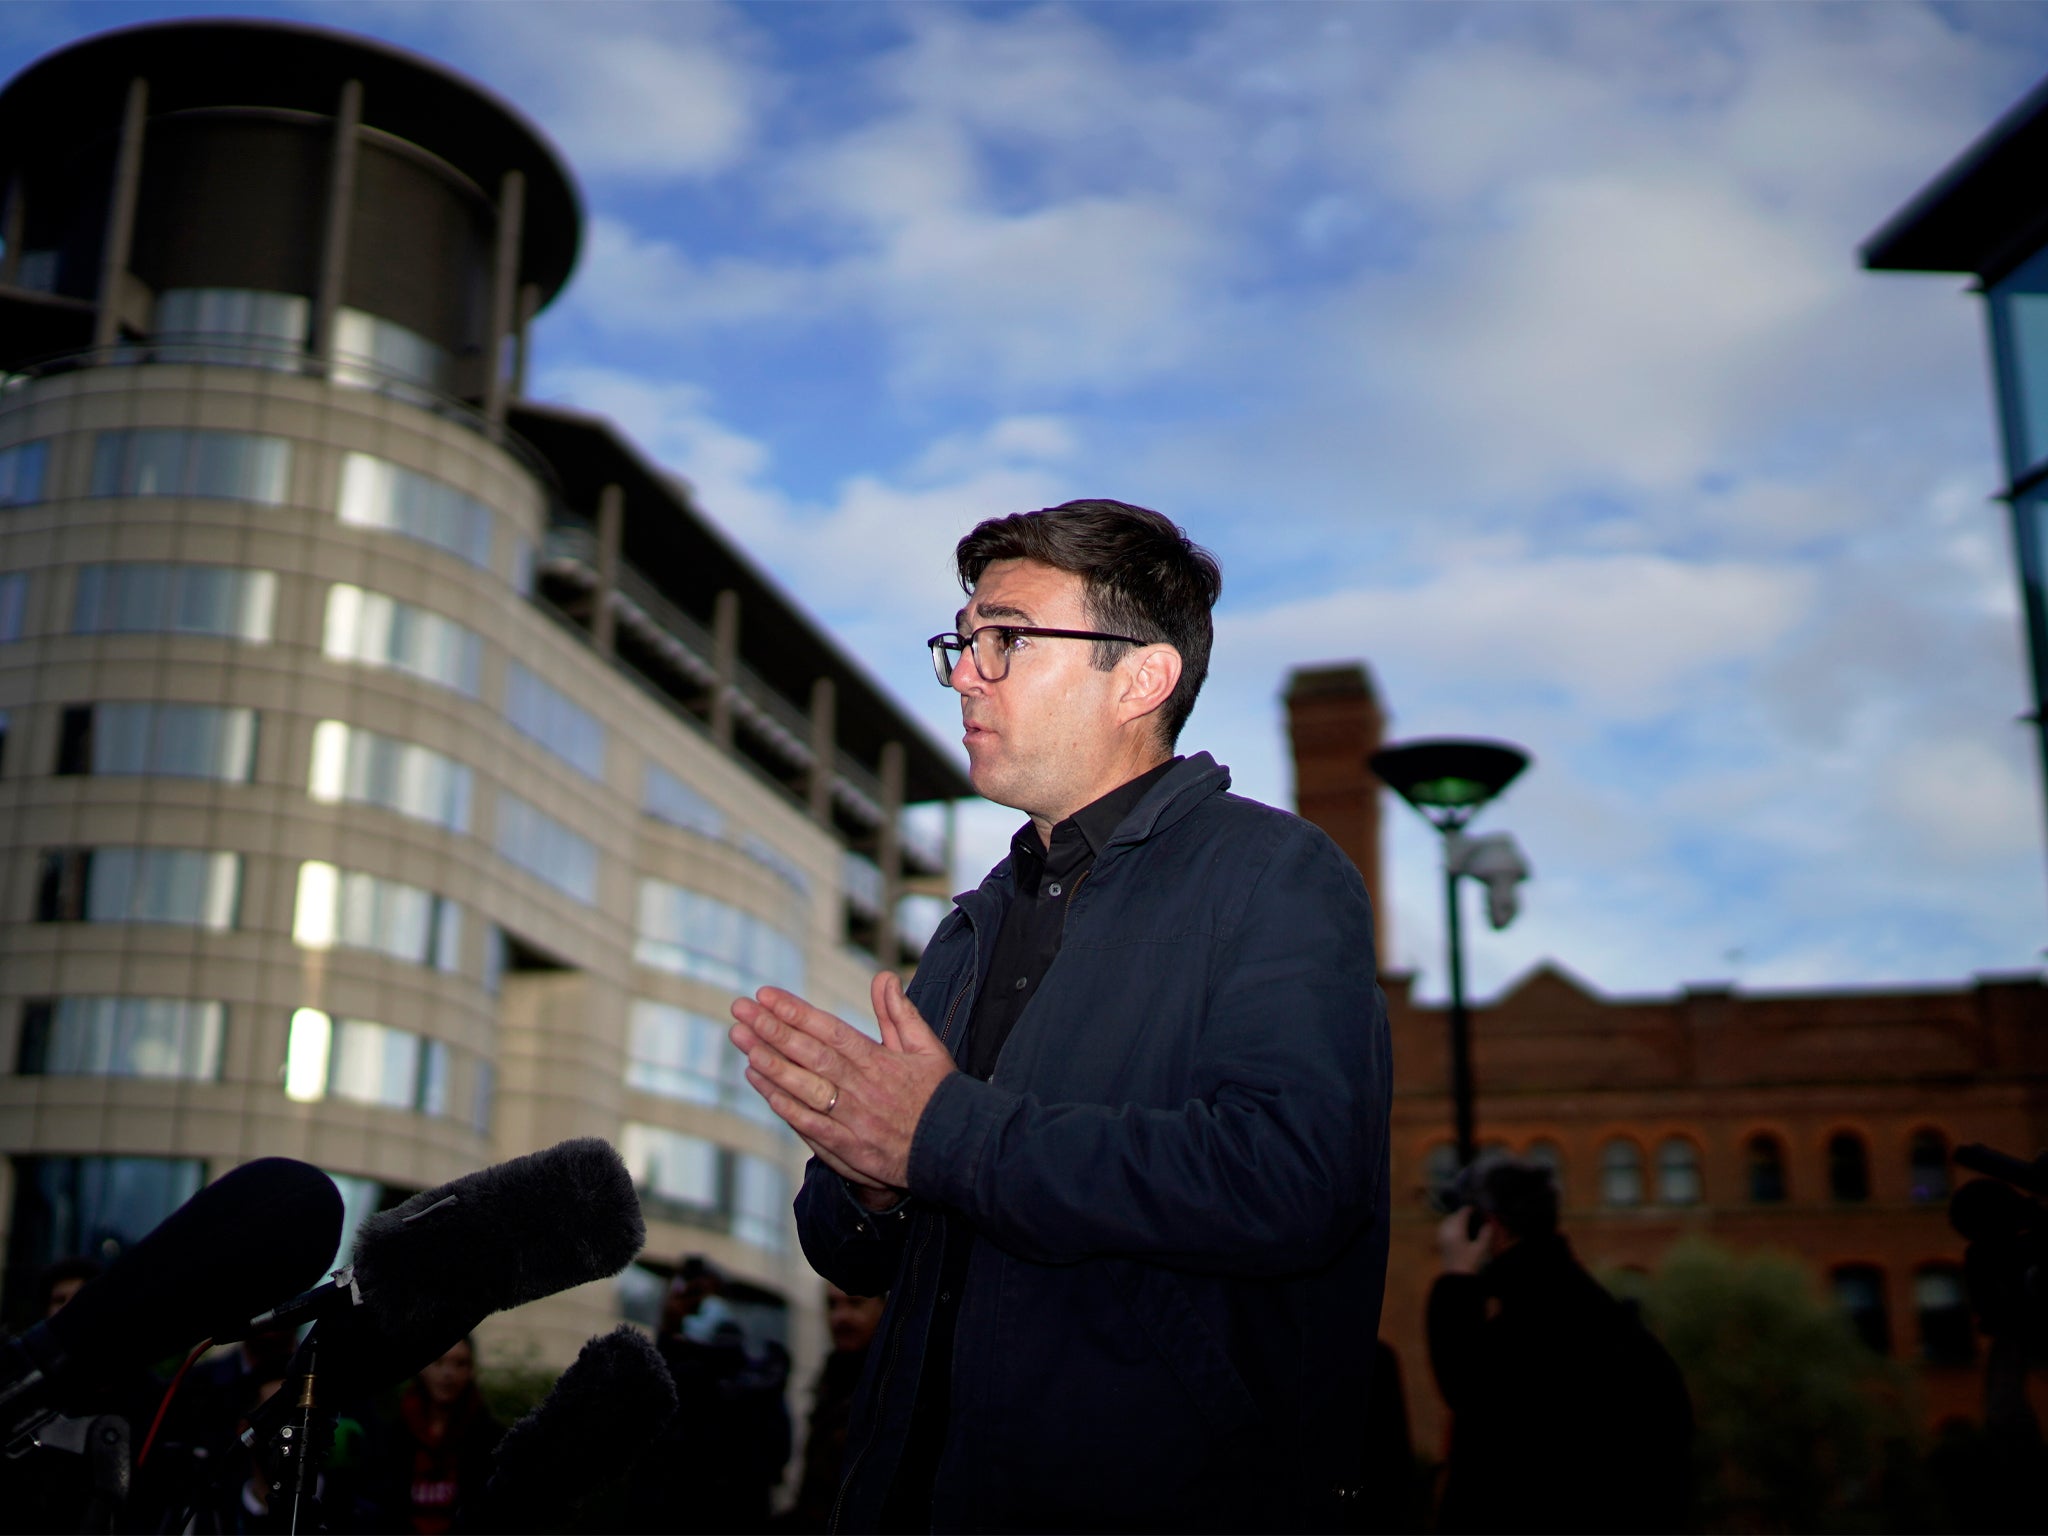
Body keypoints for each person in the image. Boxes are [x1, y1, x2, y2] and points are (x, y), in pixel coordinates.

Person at [729, 499, 1390, 1532]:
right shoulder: (970, 928)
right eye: (961, 640)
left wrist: (937, 1133)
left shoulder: (1272, 877)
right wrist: (866, 1182)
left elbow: (1290, 1178)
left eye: (1005, 638)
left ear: (1140, 677)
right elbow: (849, 1252)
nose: (961, 672)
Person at [1427, 1158, 1693, 1534]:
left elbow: (1469, 1386)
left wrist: (1456, 1278)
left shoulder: (1532, 1324)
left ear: (1489, 1228)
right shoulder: (1604, 1318)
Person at [776, 1286, 888, 1532]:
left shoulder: (896, 1388)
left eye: (855, 1303)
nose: (840, 1317)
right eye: (832, 1305)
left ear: (884, 1307)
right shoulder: (833, 1379)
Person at [366, 1335, 503, 1535]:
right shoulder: (393, 1436)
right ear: (422, 1367)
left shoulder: (490, 1440)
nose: (448, 1374)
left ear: (471, 1370)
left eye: (460, 1363)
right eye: (438, 1362)